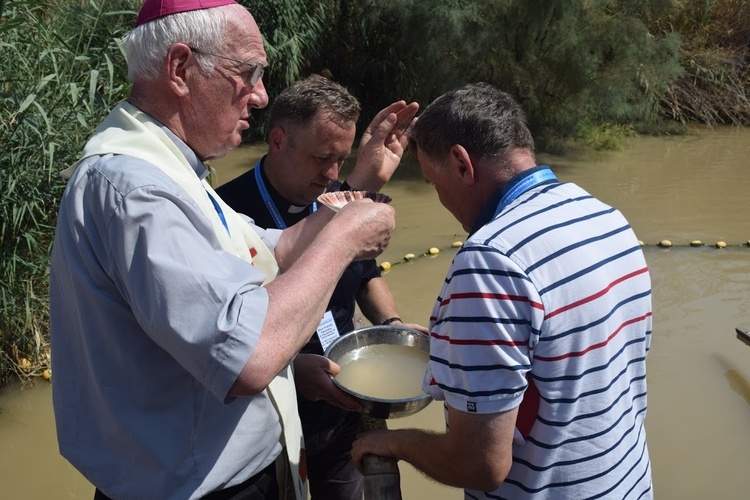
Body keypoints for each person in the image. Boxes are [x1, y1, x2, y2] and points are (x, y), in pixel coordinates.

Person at [48, 1, 415, 498]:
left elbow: (278, 248)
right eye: (247, 73)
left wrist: (359, 190)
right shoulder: (136, 189)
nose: (261, 96)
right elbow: (250, 356)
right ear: (180, 68)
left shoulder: (174, 172)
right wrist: (346, 235)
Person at [351, 83, 654, 499]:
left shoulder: (490, 260)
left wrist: (391, 443)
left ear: (460, 163)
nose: (440, 199)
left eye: (433, 183)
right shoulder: (604, 217)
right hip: (628, 485)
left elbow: (480, 464)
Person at [217, 75, 424, 500]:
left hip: (345, 400)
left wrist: (393, 325)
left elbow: (366, 275)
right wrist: (290, 372)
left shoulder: (337, 197)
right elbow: (219, 340)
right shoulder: (225, 215)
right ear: (277, 141)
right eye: (321, 157)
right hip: (267, 422)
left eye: (341, 159)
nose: (332, 174)